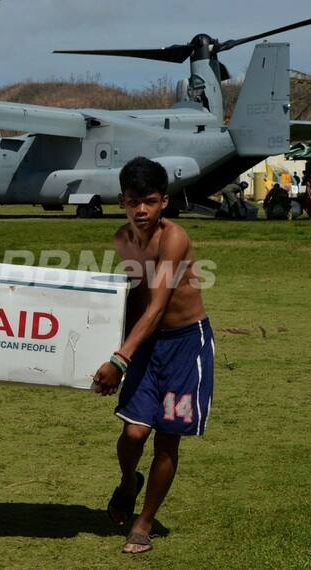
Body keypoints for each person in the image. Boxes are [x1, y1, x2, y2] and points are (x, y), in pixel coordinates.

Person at [92, 157, 214, 555]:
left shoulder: (173, 238)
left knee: (167, 440)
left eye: (149, 201)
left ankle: (144, 523)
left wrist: (119, 359)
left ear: (164, 200)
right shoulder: (122, 239)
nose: (140, 210)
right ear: (121, 201)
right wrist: (112, 347)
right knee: (132, 433)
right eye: (132, 202)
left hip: (185, 345)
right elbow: (135, 299)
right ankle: (129, 482)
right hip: (146, 344)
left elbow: (159, 305)